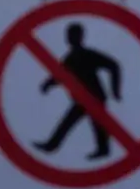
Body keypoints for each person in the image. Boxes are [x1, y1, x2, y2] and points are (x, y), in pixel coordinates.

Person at [35, 20, 126, 160]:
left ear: (81, 37)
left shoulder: (88, 55)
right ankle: (53, 145)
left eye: (74, 35)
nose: (70, 38)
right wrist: (47, 85)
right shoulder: (69, 58)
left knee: (95, 124)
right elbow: (60, 75)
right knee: (75, 122)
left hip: (94, 97)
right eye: (69, 35)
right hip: (82, 98)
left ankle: (101, 150)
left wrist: (115, 90)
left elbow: (114, 65)